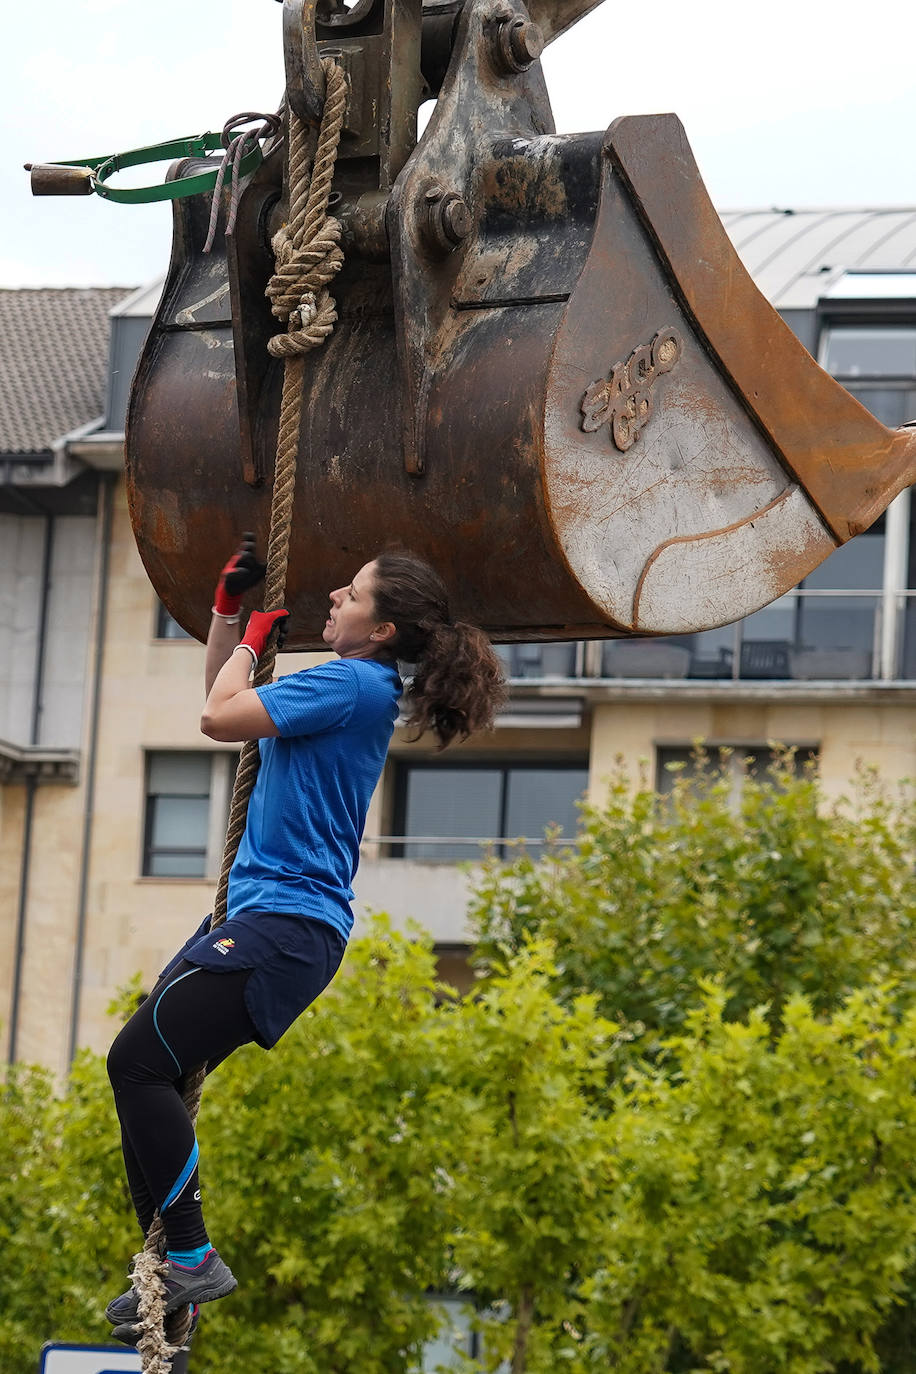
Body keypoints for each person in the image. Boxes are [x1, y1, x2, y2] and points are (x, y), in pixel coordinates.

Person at [105, 541, 507, 1342]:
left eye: (351, 594)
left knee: (136, 1061)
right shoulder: (353, 684)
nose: (333, 595)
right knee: (147, 1085)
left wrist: (256, 640)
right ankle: (171, 1280)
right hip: (261, 920)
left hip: (283, 927)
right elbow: (228, 698)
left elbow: (219, 717)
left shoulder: (353, 683)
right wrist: (229, 620)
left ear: (382, 629)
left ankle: (190, 1253)